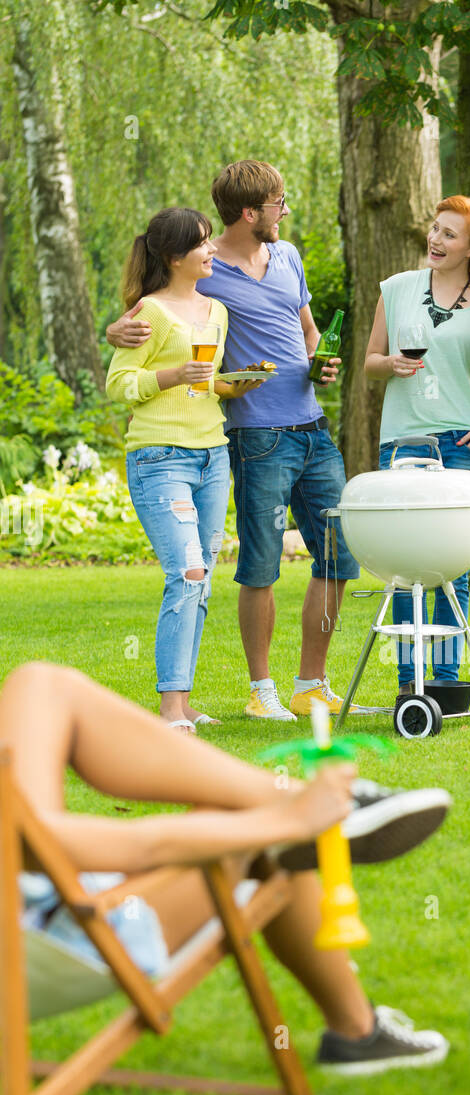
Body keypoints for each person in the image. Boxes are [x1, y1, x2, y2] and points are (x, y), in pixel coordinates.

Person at [5, 660, 452, 1072]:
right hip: (57, 938)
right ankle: (305, 812)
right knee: (250, 828)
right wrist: (281, 822)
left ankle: (304, 805)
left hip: (40, 899)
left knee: (42, 685)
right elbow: (37, 846)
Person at [107, 160, 360, 721]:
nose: (286, 211)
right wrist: (113, 329)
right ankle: (261, 689)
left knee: (340, 553)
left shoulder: (287, 256)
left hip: (312, 427)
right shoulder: (206, 265)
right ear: (250, 213)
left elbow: (306, 326)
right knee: (261, 565)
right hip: (254, 438)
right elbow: (151, 308)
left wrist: (321, 360)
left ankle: (311, 684)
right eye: (278, 203)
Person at [106, 208, 262, 732]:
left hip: (213, 457)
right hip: (159, 458)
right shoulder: (146, 312)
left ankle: (185, 702)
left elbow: (206, 380)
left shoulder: (216, 312)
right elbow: (119, 385)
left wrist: (231, 385)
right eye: (202, 244)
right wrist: (172, 373)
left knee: (202, 580)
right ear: (174, 257)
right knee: (188, 572)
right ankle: (169, 709)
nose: (212, 249)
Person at [364, 195, 470, 694]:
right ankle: (412, 682)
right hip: (403, 442)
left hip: (464, 443)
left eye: (450, 235)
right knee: (406, 569)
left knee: (455, 569)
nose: (436, 239)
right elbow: (370, 359)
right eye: (435, 229)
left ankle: (447, 682)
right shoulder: (398, 288)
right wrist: (391, 364)